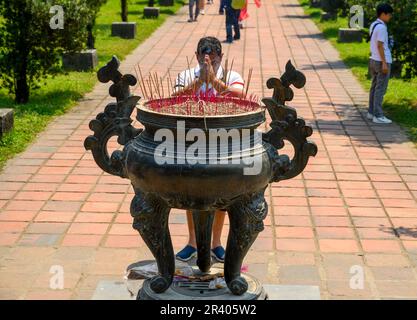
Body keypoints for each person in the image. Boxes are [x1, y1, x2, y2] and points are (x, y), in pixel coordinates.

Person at [173, 36, 245, 262]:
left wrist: (214, 81)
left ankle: (215, 243)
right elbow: (173, 99)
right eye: (205, 61)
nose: (209, 66)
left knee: (221, 196)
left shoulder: (231, 75)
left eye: (213, 62)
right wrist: (197, 83)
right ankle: (193, 242)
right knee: (192, 193)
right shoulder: (186, 76)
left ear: (220, 58)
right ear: (196, 57)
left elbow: (240, 98)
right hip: (191, 143)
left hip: (223, 142)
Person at [367, 3, 394, 124]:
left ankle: (371, 112)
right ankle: (378, 115)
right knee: (380, 89)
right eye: (389, 14)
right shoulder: (382, 28)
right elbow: (380, 45)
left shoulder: (374, 24)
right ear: (383, 14)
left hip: (373, 59)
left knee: (374, 87)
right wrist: (384, 63)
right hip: (381, 60)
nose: (390, 17)